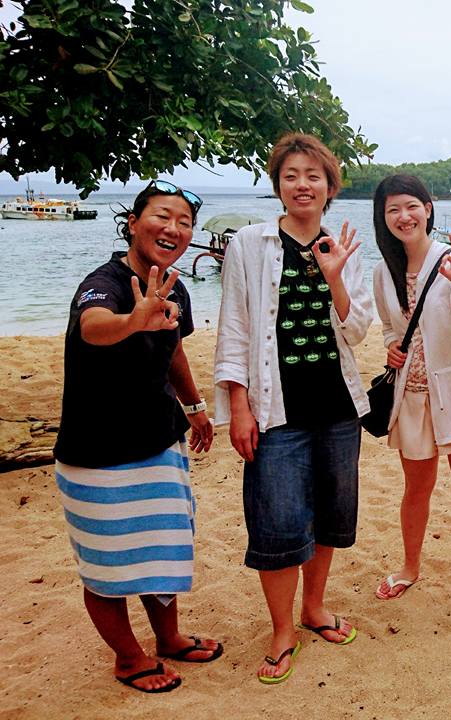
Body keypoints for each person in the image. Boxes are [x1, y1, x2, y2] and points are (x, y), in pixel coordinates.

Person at [214, 133, 372, 683]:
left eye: (313, 176)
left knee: (331, 514)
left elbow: (357, 331)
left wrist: (335, 278)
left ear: (330, 186)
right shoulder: (249, 244)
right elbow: (234, 328)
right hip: (274, 408)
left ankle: (315, 608)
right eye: (291, 175)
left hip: (337, 407)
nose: (302, 185)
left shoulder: (343, 246)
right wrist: (238, 407)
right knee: (277, 522)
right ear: (278, 184)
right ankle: (282, 630)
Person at [53, 180, 220, 693]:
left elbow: (174, 351)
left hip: (159, 442)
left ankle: (168, 638)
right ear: (132, 224)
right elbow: (93, 326)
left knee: (161, 550)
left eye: (184, 222)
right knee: (108, 565)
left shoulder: (175, 287)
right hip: (96, 453)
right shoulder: (103, 282)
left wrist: (195, 407)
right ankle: (128, 659)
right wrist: (133, 320)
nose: (174, 229)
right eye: (162, 216)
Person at [371, 174, 451, 623]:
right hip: (412, 394)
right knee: (416, 489)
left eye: (411, 206)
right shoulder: (383, 271)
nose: (403, 216)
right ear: (383, 217)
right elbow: (390, 329)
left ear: (428, 208)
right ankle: (410, 567)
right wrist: (391, 346)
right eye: (393, 209)